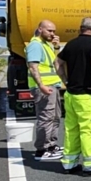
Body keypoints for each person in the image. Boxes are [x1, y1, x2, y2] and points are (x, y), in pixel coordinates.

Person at [57, 17, 91, 176]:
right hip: (86, 96)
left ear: (80, 28)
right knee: (88, 131)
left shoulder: (71, 44)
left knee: (71, 129)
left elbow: (57, 63)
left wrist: (65, 80)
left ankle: (69, 164)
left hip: (71, 94)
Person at [26, 20, 63, 161]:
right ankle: (42, 150)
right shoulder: (35, 45)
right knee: (45, 118)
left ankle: (51, 145)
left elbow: (54, 63)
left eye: (54, 31)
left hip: (52, 85)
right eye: (49, 30)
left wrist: (57, 47)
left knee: (55, 117)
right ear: (40, 29)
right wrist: (41, 85)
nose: (52, 33)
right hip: (44, 87)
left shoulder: (46, 45)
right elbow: (33, 67)